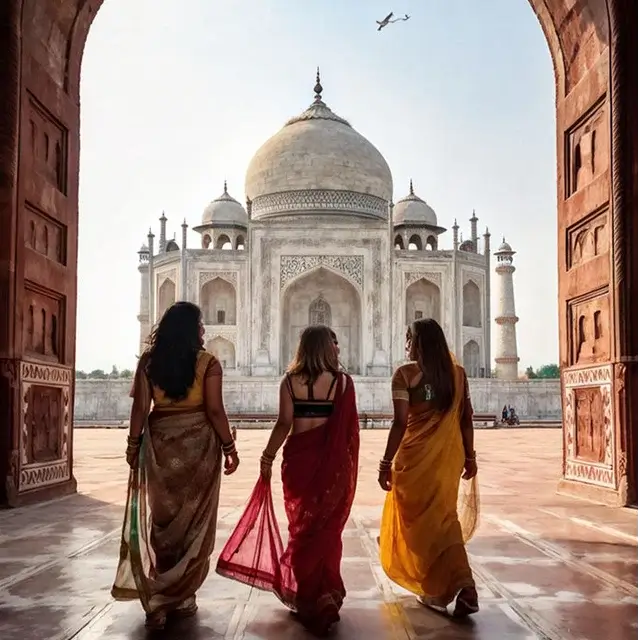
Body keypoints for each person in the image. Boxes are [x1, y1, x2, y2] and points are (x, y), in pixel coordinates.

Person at [218, 325, 360, 636]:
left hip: (298, 463)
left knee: (302, 530)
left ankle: (311, 596)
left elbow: (284, 424)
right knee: (326, 531)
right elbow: (348, 435)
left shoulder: (289, 382)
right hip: (329, 467)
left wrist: (267, 457)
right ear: (326, 348)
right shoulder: (342, 384)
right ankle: (326, 596)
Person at [111, 301, 239, 630]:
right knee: (193, 519)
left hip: (159, 447)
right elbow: (214, 410)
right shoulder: (208, 363)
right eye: (199, 325)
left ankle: (159, 598)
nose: (203, 331)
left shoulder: (149, 363)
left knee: (164, 519)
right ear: (190, 330)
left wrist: (133, 445)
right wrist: (229, 446)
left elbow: (140, 408)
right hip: (199, 448)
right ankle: (179, 595)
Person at [378, 318, 480, 617]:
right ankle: (463, 586)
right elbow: (466, 418)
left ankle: (442, 586)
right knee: (446, 520)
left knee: (418, 525)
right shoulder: (458, 375)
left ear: (420, 342)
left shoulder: (405, 375)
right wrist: (470, 457)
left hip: (414, 461)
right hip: (449, 458)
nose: (406, 345)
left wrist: (385, 463)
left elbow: (399, 423)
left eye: (409, 339)